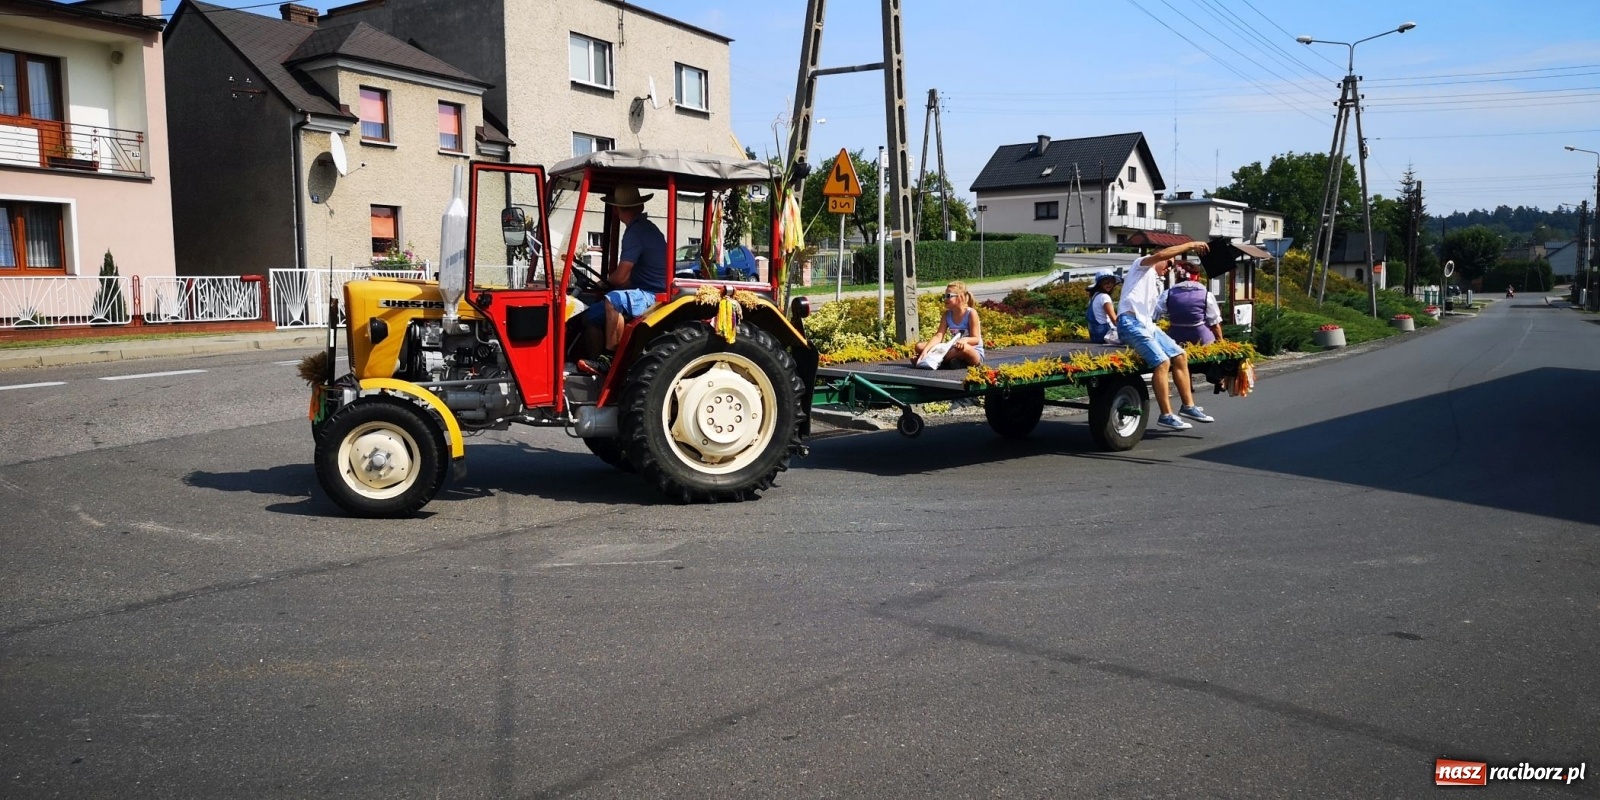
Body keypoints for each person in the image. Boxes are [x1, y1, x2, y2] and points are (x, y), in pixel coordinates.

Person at [1116, 241, 1216, 430]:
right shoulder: (1141, 266)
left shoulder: (1156, 282)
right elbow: (1162, 255)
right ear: (1159, 258)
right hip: (1130, 322)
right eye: (1168, 263)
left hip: (1147, 324)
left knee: (1180, 356)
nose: (1169, 268)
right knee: (1162, 362)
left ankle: (1188, 406)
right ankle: (1166, 415)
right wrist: (1191, 245)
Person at [577, 185, 668, 375]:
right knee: (590, 316)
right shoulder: (644, 228)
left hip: (654, 293)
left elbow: (621, 276)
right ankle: (597, 368)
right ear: (639, 206)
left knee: (613, 300)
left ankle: (609, 362)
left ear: (617, 210)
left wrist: (603, 283)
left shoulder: (635, 233)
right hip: (645, 287)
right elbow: (630, 277)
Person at [912, 281, 984, 368]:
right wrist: (925, 350)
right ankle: (951, 361)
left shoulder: (971, 313)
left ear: (960, 297)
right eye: (944, 296)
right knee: (919, 346)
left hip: (973, 352)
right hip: (954, 349)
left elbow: (976, 339)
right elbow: (939, 336)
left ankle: (933, 360)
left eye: (948, 296)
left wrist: (965, 340)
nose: (945, 299)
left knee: (964, 348)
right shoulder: (947, 315)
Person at [1157, 262, 1224, 345]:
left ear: (1178, 276)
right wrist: (1221, 342)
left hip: (1175, 339)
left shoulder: (1168, 293)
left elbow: (1157, 314)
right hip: (1202, 340)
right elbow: (1214, 323)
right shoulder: (1206, 294)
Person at [1087, 270, 1121, 345]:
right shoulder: (1104, 297)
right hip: (1104, 334)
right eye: (1106, 282)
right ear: (1099, 284)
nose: (1109, 284)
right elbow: (1114, 319)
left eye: (1112, 282)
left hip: (1094, 335)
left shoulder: (1094, 296)